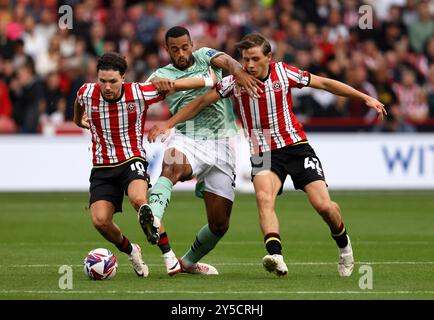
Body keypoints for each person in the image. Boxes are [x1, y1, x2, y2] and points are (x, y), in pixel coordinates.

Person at [148, 33, 387, 277]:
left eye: (254, 59)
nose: (249, 65)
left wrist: (366, 97)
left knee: (324, 206)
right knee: (263, 197)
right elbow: (199, 103)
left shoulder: (283, 73)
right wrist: (169, 123)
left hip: (296, 146)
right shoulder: (234, 82)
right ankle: (276, 256)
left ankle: (344, 245)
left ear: (268, 58)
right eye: (245, 60)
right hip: (262, 151)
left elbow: (325, 83)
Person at [73, 52, 217, 277]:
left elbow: (175, 85)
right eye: (103, 81)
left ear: (123, 77)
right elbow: (79, 103)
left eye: (112, 81)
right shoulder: (87, 92)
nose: (107, 87)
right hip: (102, 166)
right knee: (100, 221)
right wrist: (78, 120)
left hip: (132, 159)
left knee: (140, 201)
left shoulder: (139, 92)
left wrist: (208, 81)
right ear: (97, 78)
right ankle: (132, 251)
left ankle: (168, 255)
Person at [138, 26, 262, 275]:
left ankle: (188, 262)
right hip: (186, 137)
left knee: (219, 224)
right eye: (175, 49)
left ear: (192, 44)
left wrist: (239, 71)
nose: (181, 53)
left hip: (223, 142)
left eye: (185, 47)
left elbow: (226, 60)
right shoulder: (159, 76)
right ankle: (153, 217)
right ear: (167, 50)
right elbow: (134, 96)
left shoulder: (206, 55)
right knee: (171, 167)